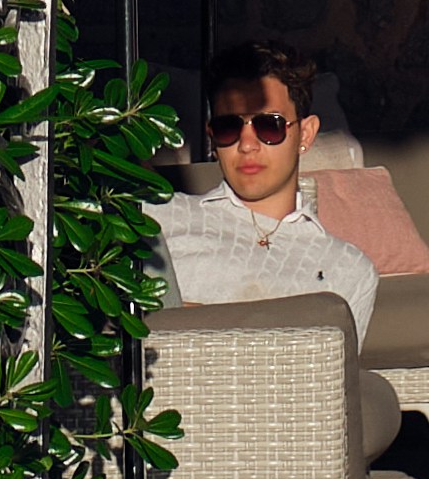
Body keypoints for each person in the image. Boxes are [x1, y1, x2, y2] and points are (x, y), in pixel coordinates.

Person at [160, 41, 379, 336]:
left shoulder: (348, 268)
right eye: (229, 127)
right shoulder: (159, 217)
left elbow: (331, 366)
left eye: (268, 126)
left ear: (305, 134)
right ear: (212, 138)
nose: (247, 144)